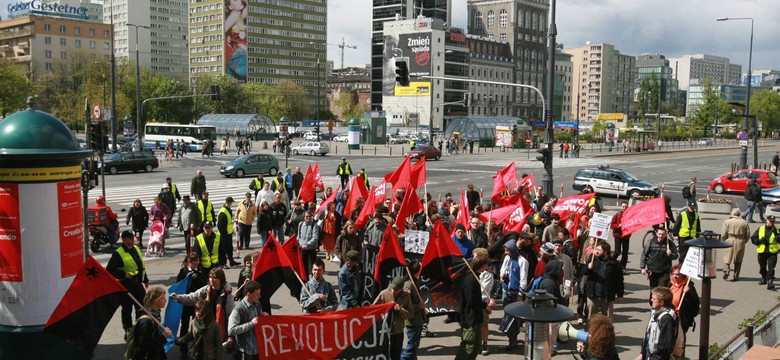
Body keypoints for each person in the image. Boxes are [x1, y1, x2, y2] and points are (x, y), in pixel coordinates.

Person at [172, 268, 235, 351]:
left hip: (217, 325)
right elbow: (192, 297)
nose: (212, 280)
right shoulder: (206, 290)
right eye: (210, 277)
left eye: (215, 277)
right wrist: (179, 297)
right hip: (205, 322)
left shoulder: (226, 294)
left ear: (221, 279)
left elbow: (231, 314)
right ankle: (184, 342)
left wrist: (230, 335)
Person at [455, 255, 495, 360]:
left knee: (476, 346)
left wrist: (484, 307)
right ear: (483, 265)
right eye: (487, 264)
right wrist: (486, 305)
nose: (488, 267)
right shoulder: (470, 279)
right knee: (468, 346)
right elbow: (471, 301)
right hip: (469, 318)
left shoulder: (475, 276)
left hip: (477, 317)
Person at [107, 230, 148, 332]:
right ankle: (128, 330)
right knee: (127, 309)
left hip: (138, 284)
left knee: (142, 307)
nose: (132, 239)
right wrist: (123, 274)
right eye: (130, 238)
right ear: (124, 239)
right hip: (126, 286)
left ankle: (141, 328)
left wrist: (145, 279)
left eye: (132, 237)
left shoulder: (136, 249)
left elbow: (141, 266)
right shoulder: (118, 253)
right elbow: (110, 270)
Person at [174, 253, 208, 357]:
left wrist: (197, 277)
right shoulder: (183, 272)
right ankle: (183, 349)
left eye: (198, 261)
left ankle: (196, 346)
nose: (197, 263)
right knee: (184, 325)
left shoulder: (200, 270)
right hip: (185, 303)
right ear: (189, 262)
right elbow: (179, 285)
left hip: (196, 302)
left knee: (197, 324)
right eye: (194, 261)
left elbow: (204, 284)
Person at [373, 276, 413, 360]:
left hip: (398, 332)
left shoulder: (406, 296)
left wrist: (400, 310)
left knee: (396, 356)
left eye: (396, 290)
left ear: (401, 289)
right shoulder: (384, 294)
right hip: (384, 331)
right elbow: (373, 310)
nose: (393, 291)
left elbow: (410, 314)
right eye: (392, 289)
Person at [128, 286, 173, 360]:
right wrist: (163, 337)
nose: (165, 300)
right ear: (156, 300)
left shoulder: (155, 316)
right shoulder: (146, 322)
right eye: (163, 298)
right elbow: (144, 346)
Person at [228, 280, 268, 360]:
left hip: (257, 350)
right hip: (245, 352)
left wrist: (262, 316)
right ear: (248, 294)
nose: (259, 296)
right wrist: (251, 324)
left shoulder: (257, 304)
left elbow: (258, 321)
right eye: (257, 294)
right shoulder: (238, 310)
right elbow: (231, 330)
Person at [585, 241, 624, 321]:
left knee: (608, 319)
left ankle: (607, 333)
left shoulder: (614, 263)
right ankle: (591, 332)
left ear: (605, 252)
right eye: (596, 249)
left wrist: (620, 294)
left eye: (599, 250)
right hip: (593, 295)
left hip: (607, 296)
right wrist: (588, 268)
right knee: (591, 319)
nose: (596, 251)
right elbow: (584, 273)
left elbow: (619, 280)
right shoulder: (592, 259)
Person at [670, 264, 700, 360]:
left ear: (683, 275)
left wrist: (689, 293)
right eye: (673, 274)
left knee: (679, 341)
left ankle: (679, 357)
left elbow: (695, 305)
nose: (674, 276)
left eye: (677, 274)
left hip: (681, 319)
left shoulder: (689, 287)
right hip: (669, 317)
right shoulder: (669, 284)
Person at [640, 287, 677, 360]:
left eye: (654, 299)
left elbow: (665, 345)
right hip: (649, 353)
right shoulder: (655, 312)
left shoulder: (666, 319)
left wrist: (654, 358)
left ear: (661, 302)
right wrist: (642, 353)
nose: (651, 300)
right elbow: (648, 334)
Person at [402, 260, 427, 359]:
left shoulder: (415, 282)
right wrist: (419, 307)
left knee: (414, 348)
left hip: (418, 319)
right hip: (413, 321)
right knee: (411, 348)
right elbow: (406, 305)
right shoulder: (409, 285)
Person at [751, 215, 780, 290]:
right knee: (762, 267)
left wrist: (776, 235)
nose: (771, 223)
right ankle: (764, 278)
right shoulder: (760, 229)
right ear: (766, 221)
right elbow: (753, 239)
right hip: (762, 251)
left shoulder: (777, 230)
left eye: (773, 221)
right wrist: (759, 241)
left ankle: (770, 281)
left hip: (772, 252)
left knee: (771, 267)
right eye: (770, 221)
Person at [721, 208, 751, 281]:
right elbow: (748, 234)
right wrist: (744, 241)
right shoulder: (744, 222)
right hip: (741, 240)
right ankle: (736, 275)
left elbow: (723, 234)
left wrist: (724, 240)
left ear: (733, 214)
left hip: (730, 240)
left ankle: (726, 271)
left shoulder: (727, 222)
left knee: (727, 257)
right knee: (738, 259)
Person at [217, 197, 240, 267]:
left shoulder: (228, 210)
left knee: (230, 248)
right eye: (231, 203)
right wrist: (224, 234)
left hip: (228, 233)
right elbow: (220, 226)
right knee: (223, 250)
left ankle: (231, 261)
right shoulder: (223, 212)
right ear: (228, 203)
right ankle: (223, 263)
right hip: (224, 234)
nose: (231, 204)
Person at [297, 211, 320, 276]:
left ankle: (313, 280)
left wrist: (307, 244)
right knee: (304, 266)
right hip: (303, 249)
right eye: (307, 216)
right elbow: (299, 236)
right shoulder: (301, 224)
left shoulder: (314, 225)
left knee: (313, 266)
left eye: (310, 217)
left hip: (311, 248)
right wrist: (300, 243)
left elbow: (315, 238)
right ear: (304, 217)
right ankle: (305, 281)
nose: (308, 218)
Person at [610, 202, 630, 272]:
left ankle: (623, 267)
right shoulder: (617, 215)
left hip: (626, 236)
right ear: (621, 207)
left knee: (625, 253)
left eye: (626, 207)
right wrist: (618, 226)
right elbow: (612, 225)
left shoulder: (630, 216)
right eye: (623, 206)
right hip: (618, 235)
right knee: (617, 252)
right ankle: (611, 262)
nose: (624, 208)